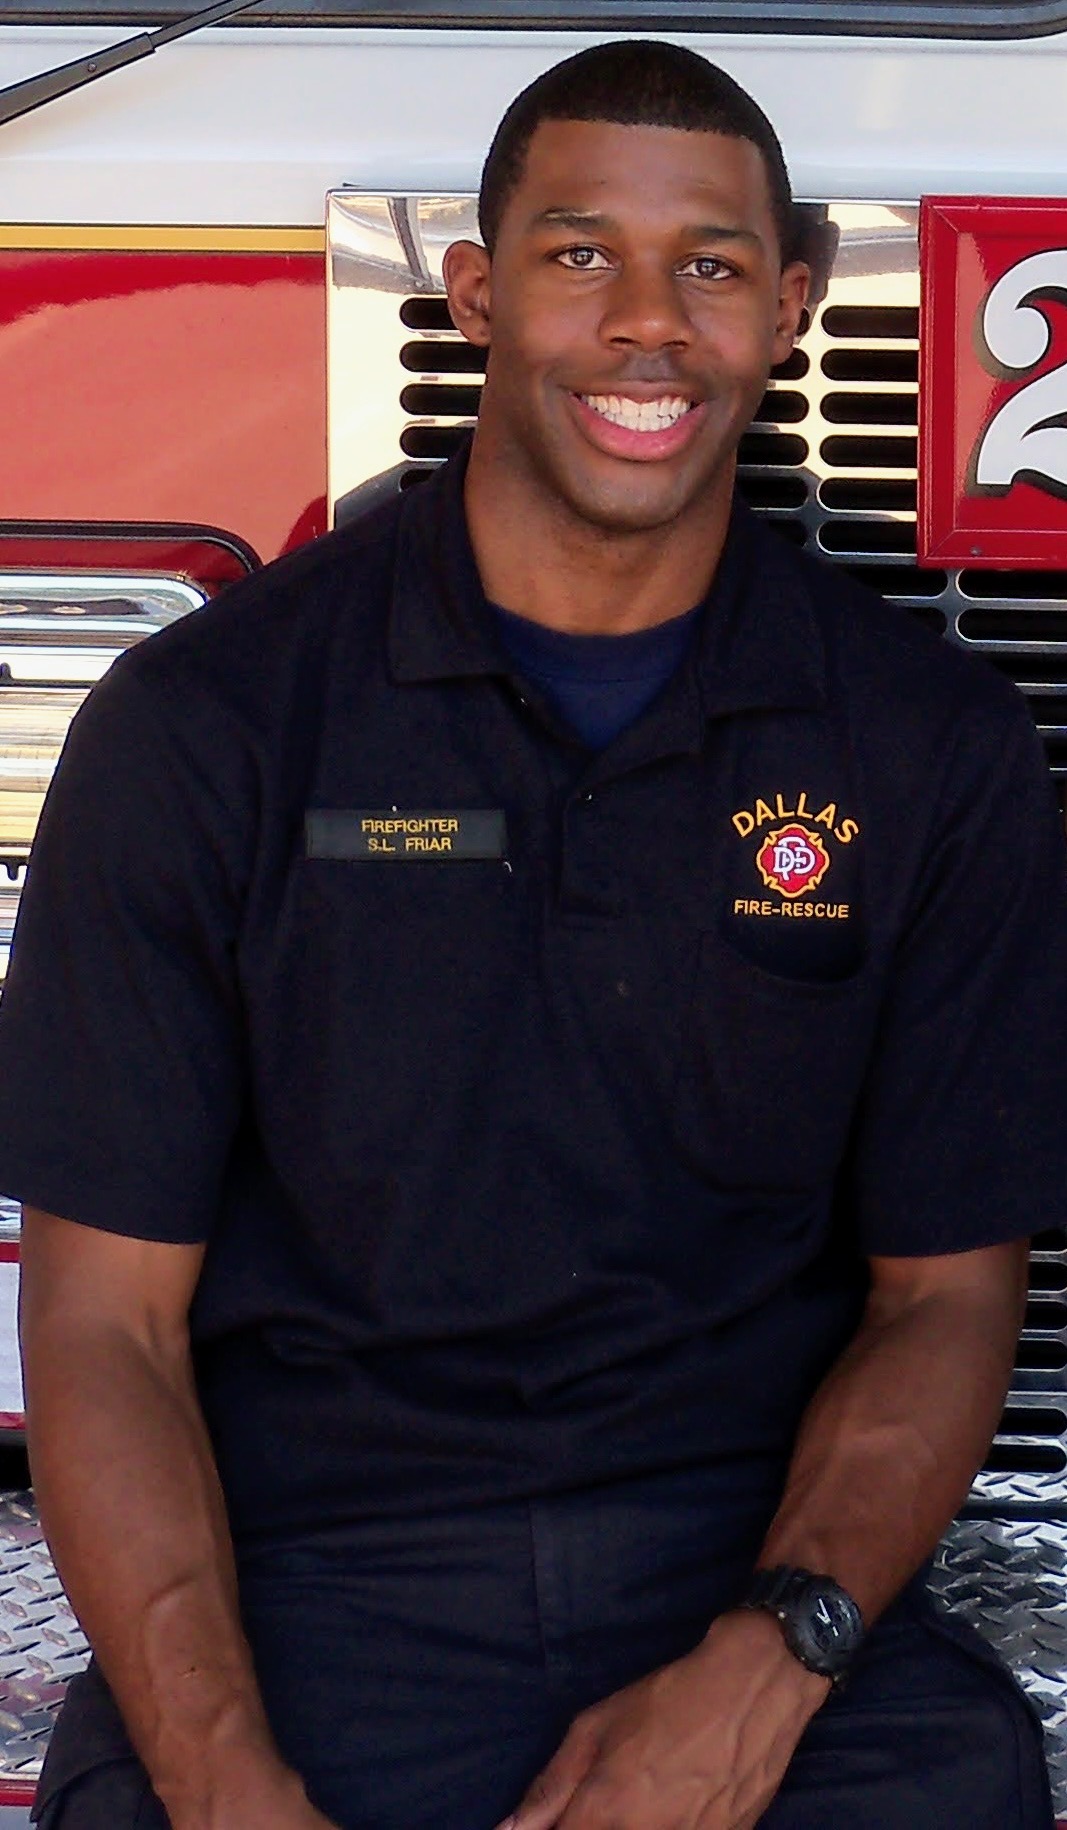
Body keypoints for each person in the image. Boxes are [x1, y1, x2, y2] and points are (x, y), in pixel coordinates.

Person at [0, 37, 1063, 1830]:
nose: (648, 326)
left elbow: (946, 1293)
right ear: (475, 291)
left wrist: (767, 1660)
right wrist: (217, 1766)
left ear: (794, 306)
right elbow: (105, 1324)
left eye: (711, 267)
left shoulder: (930, 747)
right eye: (581, 256)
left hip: (741, 1574)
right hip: (305, 1585)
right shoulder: (205, 729)